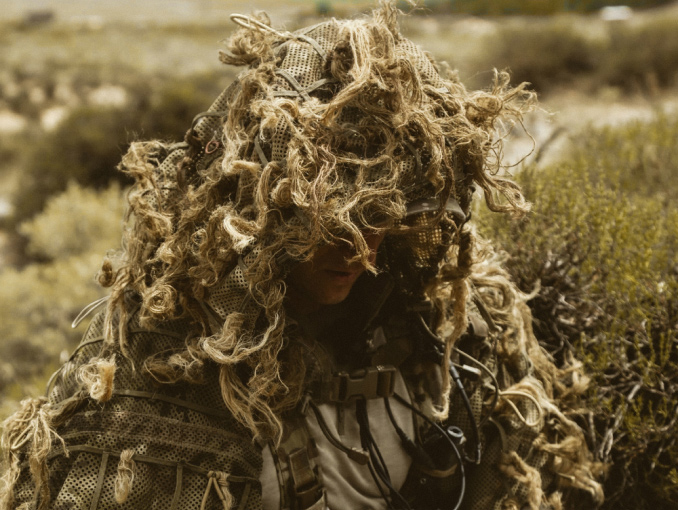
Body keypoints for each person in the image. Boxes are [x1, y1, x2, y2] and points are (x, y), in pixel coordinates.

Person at [1, 3, 603, 509]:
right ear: (263, 224)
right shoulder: (171, 367)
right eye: (324, 227)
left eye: (379, 224)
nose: (355, 251)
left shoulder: (446, 330)